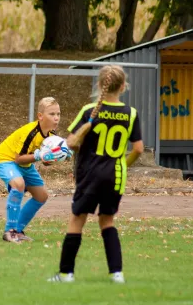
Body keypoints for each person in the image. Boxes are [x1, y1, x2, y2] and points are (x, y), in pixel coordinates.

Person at [48, 65, 144, 283]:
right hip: (115, 177)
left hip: (90, 175)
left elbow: (71, 143)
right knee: (107, 221)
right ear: (123, 86)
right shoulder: (131, 114)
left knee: (77, 221)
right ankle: (116, 274)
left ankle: (65, 274)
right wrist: (123, 164)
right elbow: (138, 149)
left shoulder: (89, 111)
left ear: (100, 85)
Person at [0, 97, 69, 243]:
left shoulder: (52, 137)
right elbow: (18, 158)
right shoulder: (31, 132)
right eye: (52, 114)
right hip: (4, 160)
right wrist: (39, 155)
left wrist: (58, 156)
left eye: (58, 114)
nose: (56, 118)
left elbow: (45, 162)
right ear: (40, 116)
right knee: (19, 185)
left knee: (42, 196)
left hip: (25, 165)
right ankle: (10, 231)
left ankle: (18, 231)